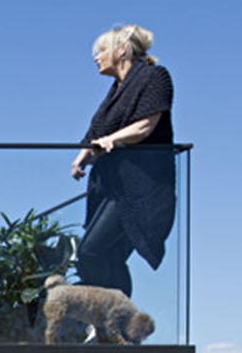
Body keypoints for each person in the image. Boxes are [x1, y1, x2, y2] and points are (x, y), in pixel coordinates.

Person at [70, 25, 175, 295]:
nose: (96, 57)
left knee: (90, 251)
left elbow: (145, 125)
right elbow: (97, 129)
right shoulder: (115, 91)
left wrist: (114, 139)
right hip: (112, 188)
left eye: (101, 50)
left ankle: (112, 317)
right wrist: (84, 153)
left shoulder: (155, 77)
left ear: (123, 50)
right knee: (110, 257)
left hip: (139, 189)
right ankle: (120, 328)